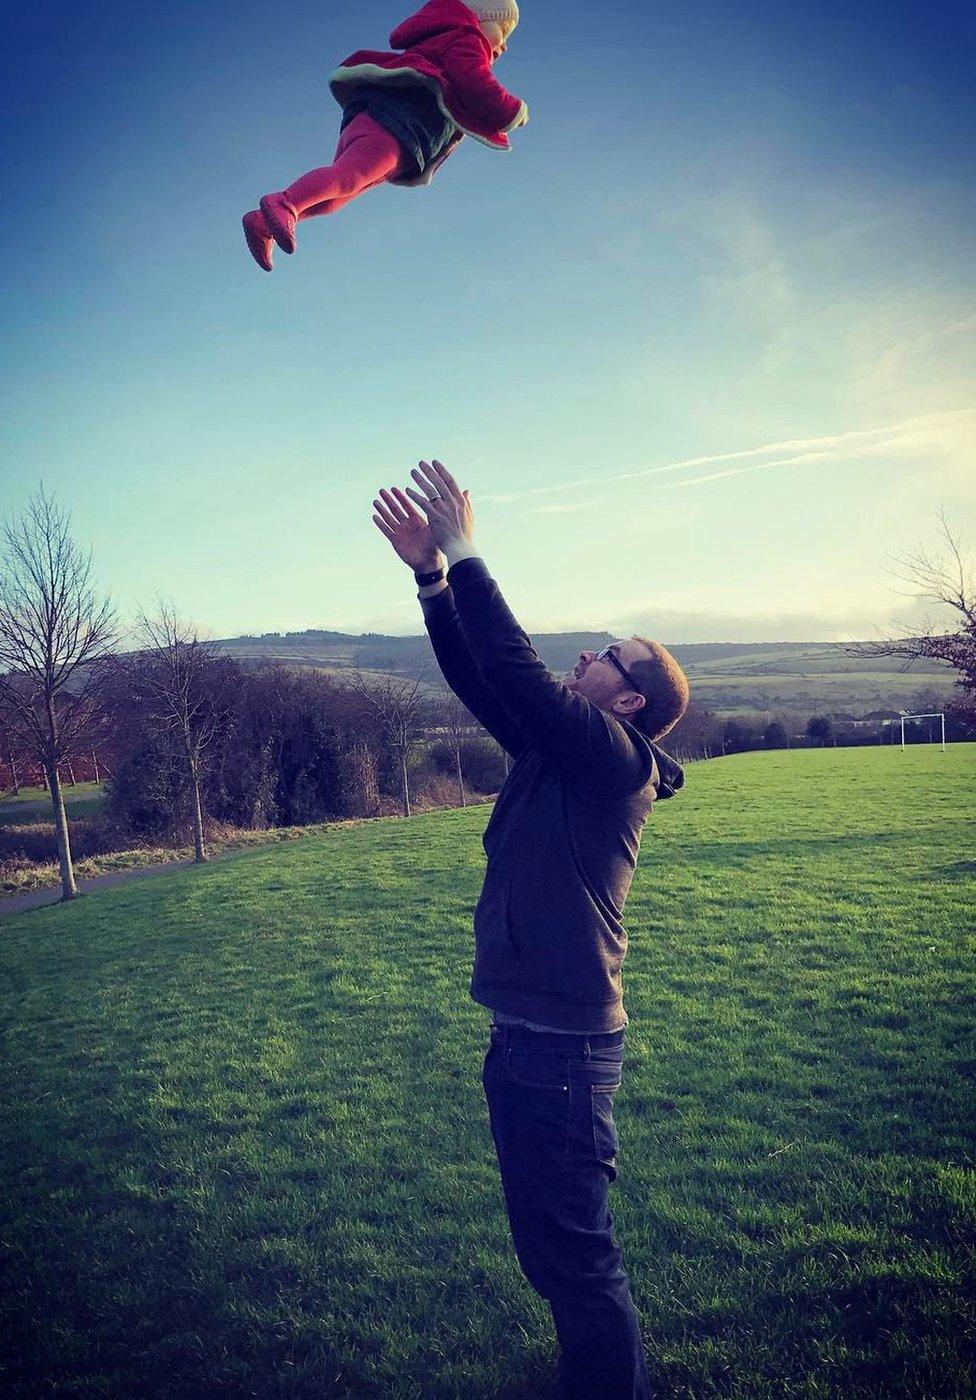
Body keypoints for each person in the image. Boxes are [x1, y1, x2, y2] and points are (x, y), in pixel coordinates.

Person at [372, 460, 688, 1400]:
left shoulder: (612, 760)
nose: (586, 656)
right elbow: (485, 684)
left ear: (628, 700)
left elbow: (513, 663)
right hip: (527, 1036)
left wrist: (467, 551)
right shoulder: (562, 752)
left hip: (561, 1048)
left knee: (580, 1259)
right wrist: (432, 582)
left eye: (606, 657)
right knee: (553, 1254)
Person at [243, 0, 528, 271]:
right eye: (502, 31)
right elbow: (475, 83)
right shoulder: (465, 39)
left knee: (339, 194)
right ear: (477, 17)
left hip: (390, 125)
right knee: (349, 177)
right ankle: (284, 203)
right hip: (396, 123)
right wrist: (513, 111)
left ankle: (264, 223)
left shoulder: (445, 41)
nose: (503, 45)